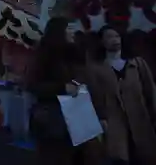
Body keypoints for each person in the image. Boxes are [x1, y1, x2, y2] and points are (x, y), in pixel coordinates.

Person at [27, 17, 103, 165]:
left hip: (81, 118)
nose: (73, 32)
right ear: (58, 32)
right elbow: (32, 85)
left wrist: (100, 114)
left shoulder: (77, 54)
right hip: (54, 122)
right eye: (69, 28)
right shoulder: (44, 54)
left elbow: (91, 84)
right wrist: (61, 88)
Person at [89, 25, 156, 165]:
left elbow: (150, 91)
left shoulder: (137, 63)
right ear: (101, 42)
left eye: (117, 36)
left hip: (141, 120)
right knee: (120, 158)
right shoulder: (96, 68)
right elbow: (95, 97)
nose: (114, 40)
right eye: (109, 37)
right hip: (115, 125)